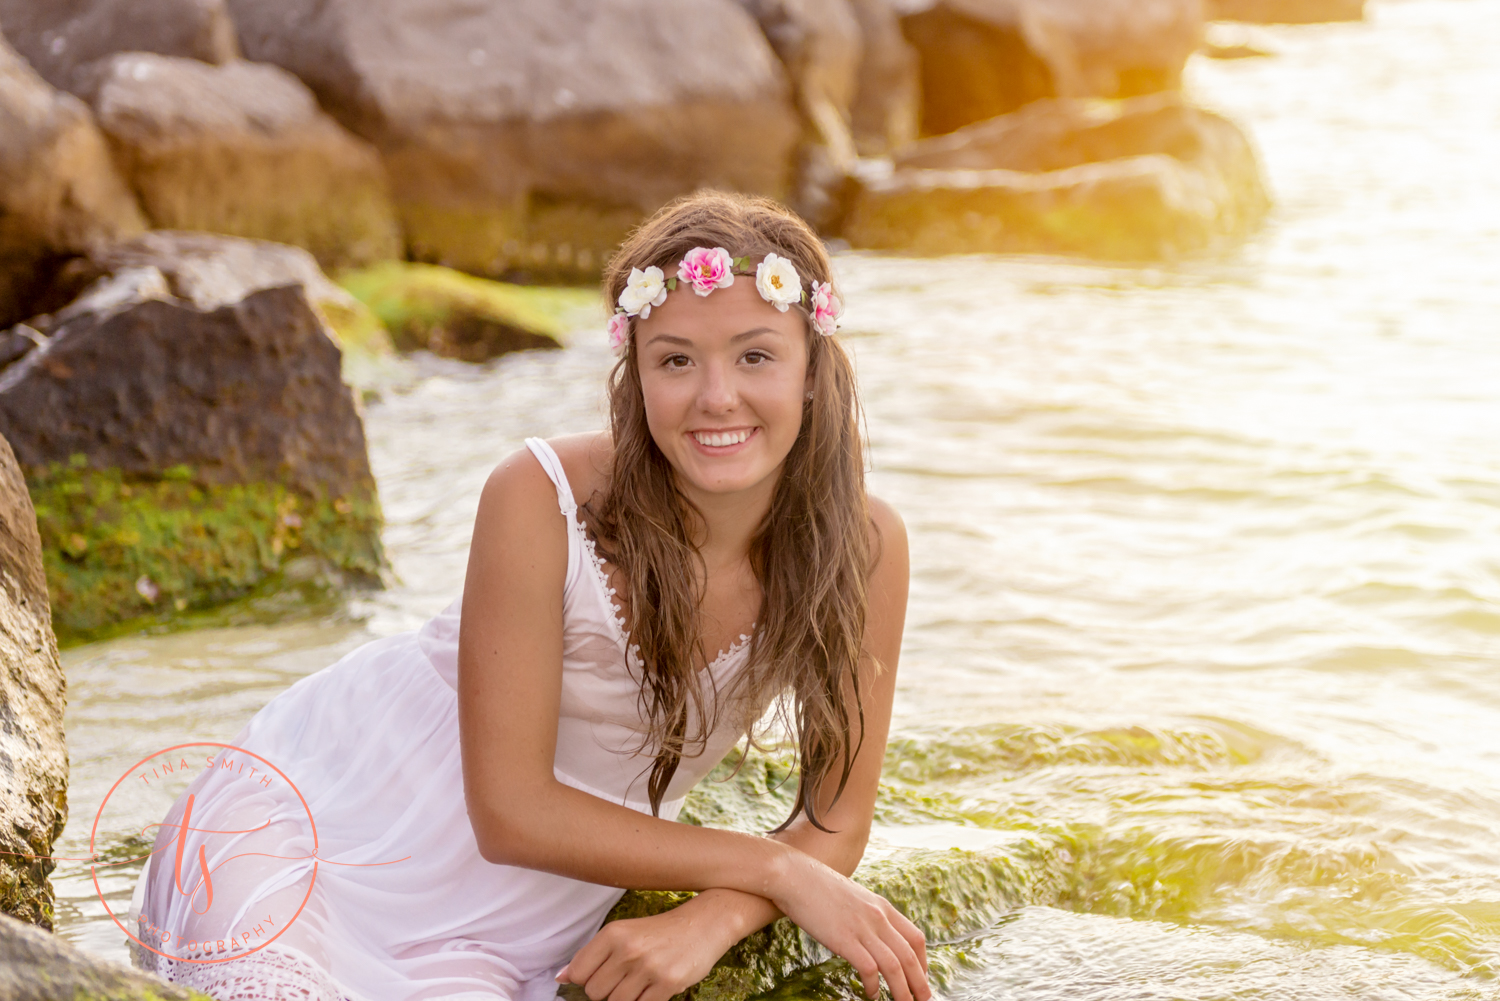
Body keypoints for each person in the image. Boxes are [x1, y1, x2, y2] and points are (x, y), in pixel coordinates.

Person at [127, 191, 928, 1001]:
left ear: (815, 371)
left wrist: (715, 916)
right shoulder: (539, 493)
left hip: (521, 919)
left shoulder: (864, 549)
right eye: (676, 359)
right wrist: (770, 866)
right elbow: (510, 811)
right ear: (637, 373)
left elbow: (836, 817)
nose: (716, 395)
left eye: (756, 356)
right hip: (324, 825)